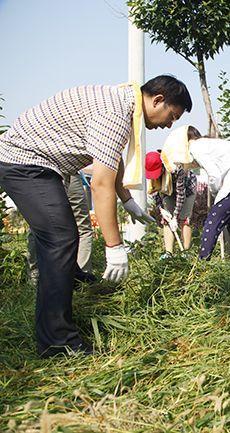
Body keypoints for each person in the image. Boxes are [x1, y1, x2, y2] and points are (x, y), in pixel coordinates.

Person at [0, 75, 192, 357]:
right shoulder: (115, 113)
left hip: (41, 165)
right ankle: (57, 342)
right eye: (171, 116)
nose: (169, 124)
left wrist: (127, 200)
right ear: (158, 100)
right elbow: (100, 184)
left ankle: (71, 286)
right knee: (60, 238)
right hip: (24, 161)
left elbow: (111, 158)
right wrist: (114, 248)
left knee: (61, 239)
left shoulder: (122, 103)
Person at [162, 125, 230, 275]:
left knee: (213, 221)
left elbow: (214, 175)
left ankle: (202, 267)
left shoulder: (196, 147)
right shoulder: (210, 144)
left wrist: (215, 193)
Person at [27, 172, 95, 284]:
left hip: (39, 172)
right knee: (81, 227)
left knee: (38, 224)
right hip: (66, 170)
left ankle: (37, 277)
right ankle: (80, 278)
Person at [145, 150, 197, 259]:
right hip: (167, 191)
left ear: (162, 167)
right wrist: (161, 209)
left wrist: (175, 216)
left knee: (184, 219)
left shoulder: (176, 168)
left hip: (187, 189)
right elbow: (154, 191)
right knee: (166, 220)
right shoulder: (151, 170)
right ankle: (168, 253)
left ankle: (185, 252)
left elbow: (180, 194)